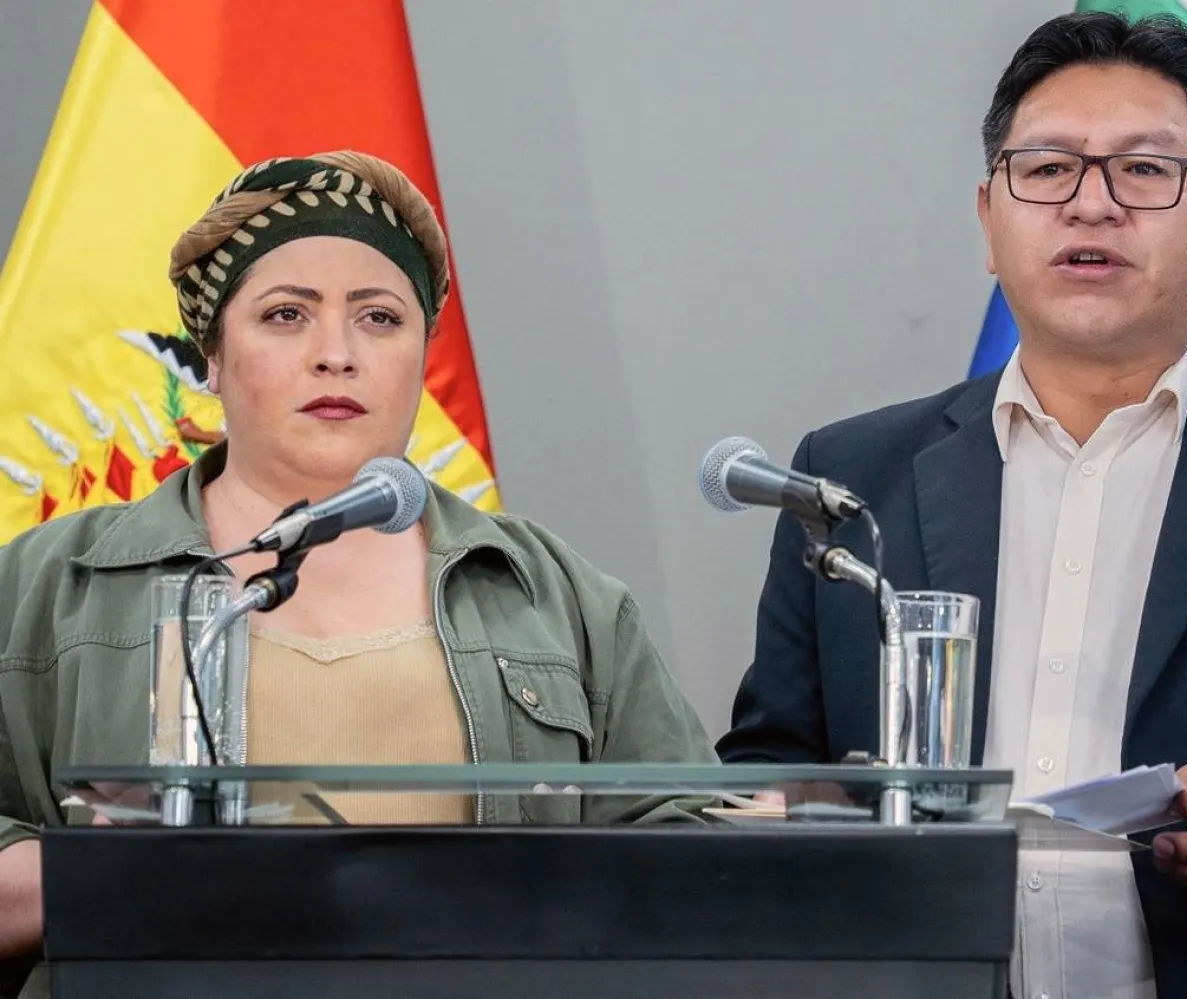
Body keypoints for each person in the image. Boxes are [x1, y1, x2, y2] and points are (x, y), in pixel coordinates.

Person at [717, 11, 1187, 999]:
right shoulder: (851, 474)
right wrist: (804, 807)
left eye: (1145, 170)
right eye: (1045, 169)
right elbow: (773, 760)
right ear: (988, 221)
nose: (1091, 205)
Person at [0, 151, 716, 994]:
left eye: (379, 317)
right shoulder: (51, 582)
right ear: (214, 358)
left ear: (422, 354)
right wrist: (113, 877)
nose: (336, 353)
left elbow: (694, 855)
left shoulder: (553, 592)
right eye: (285, 315)